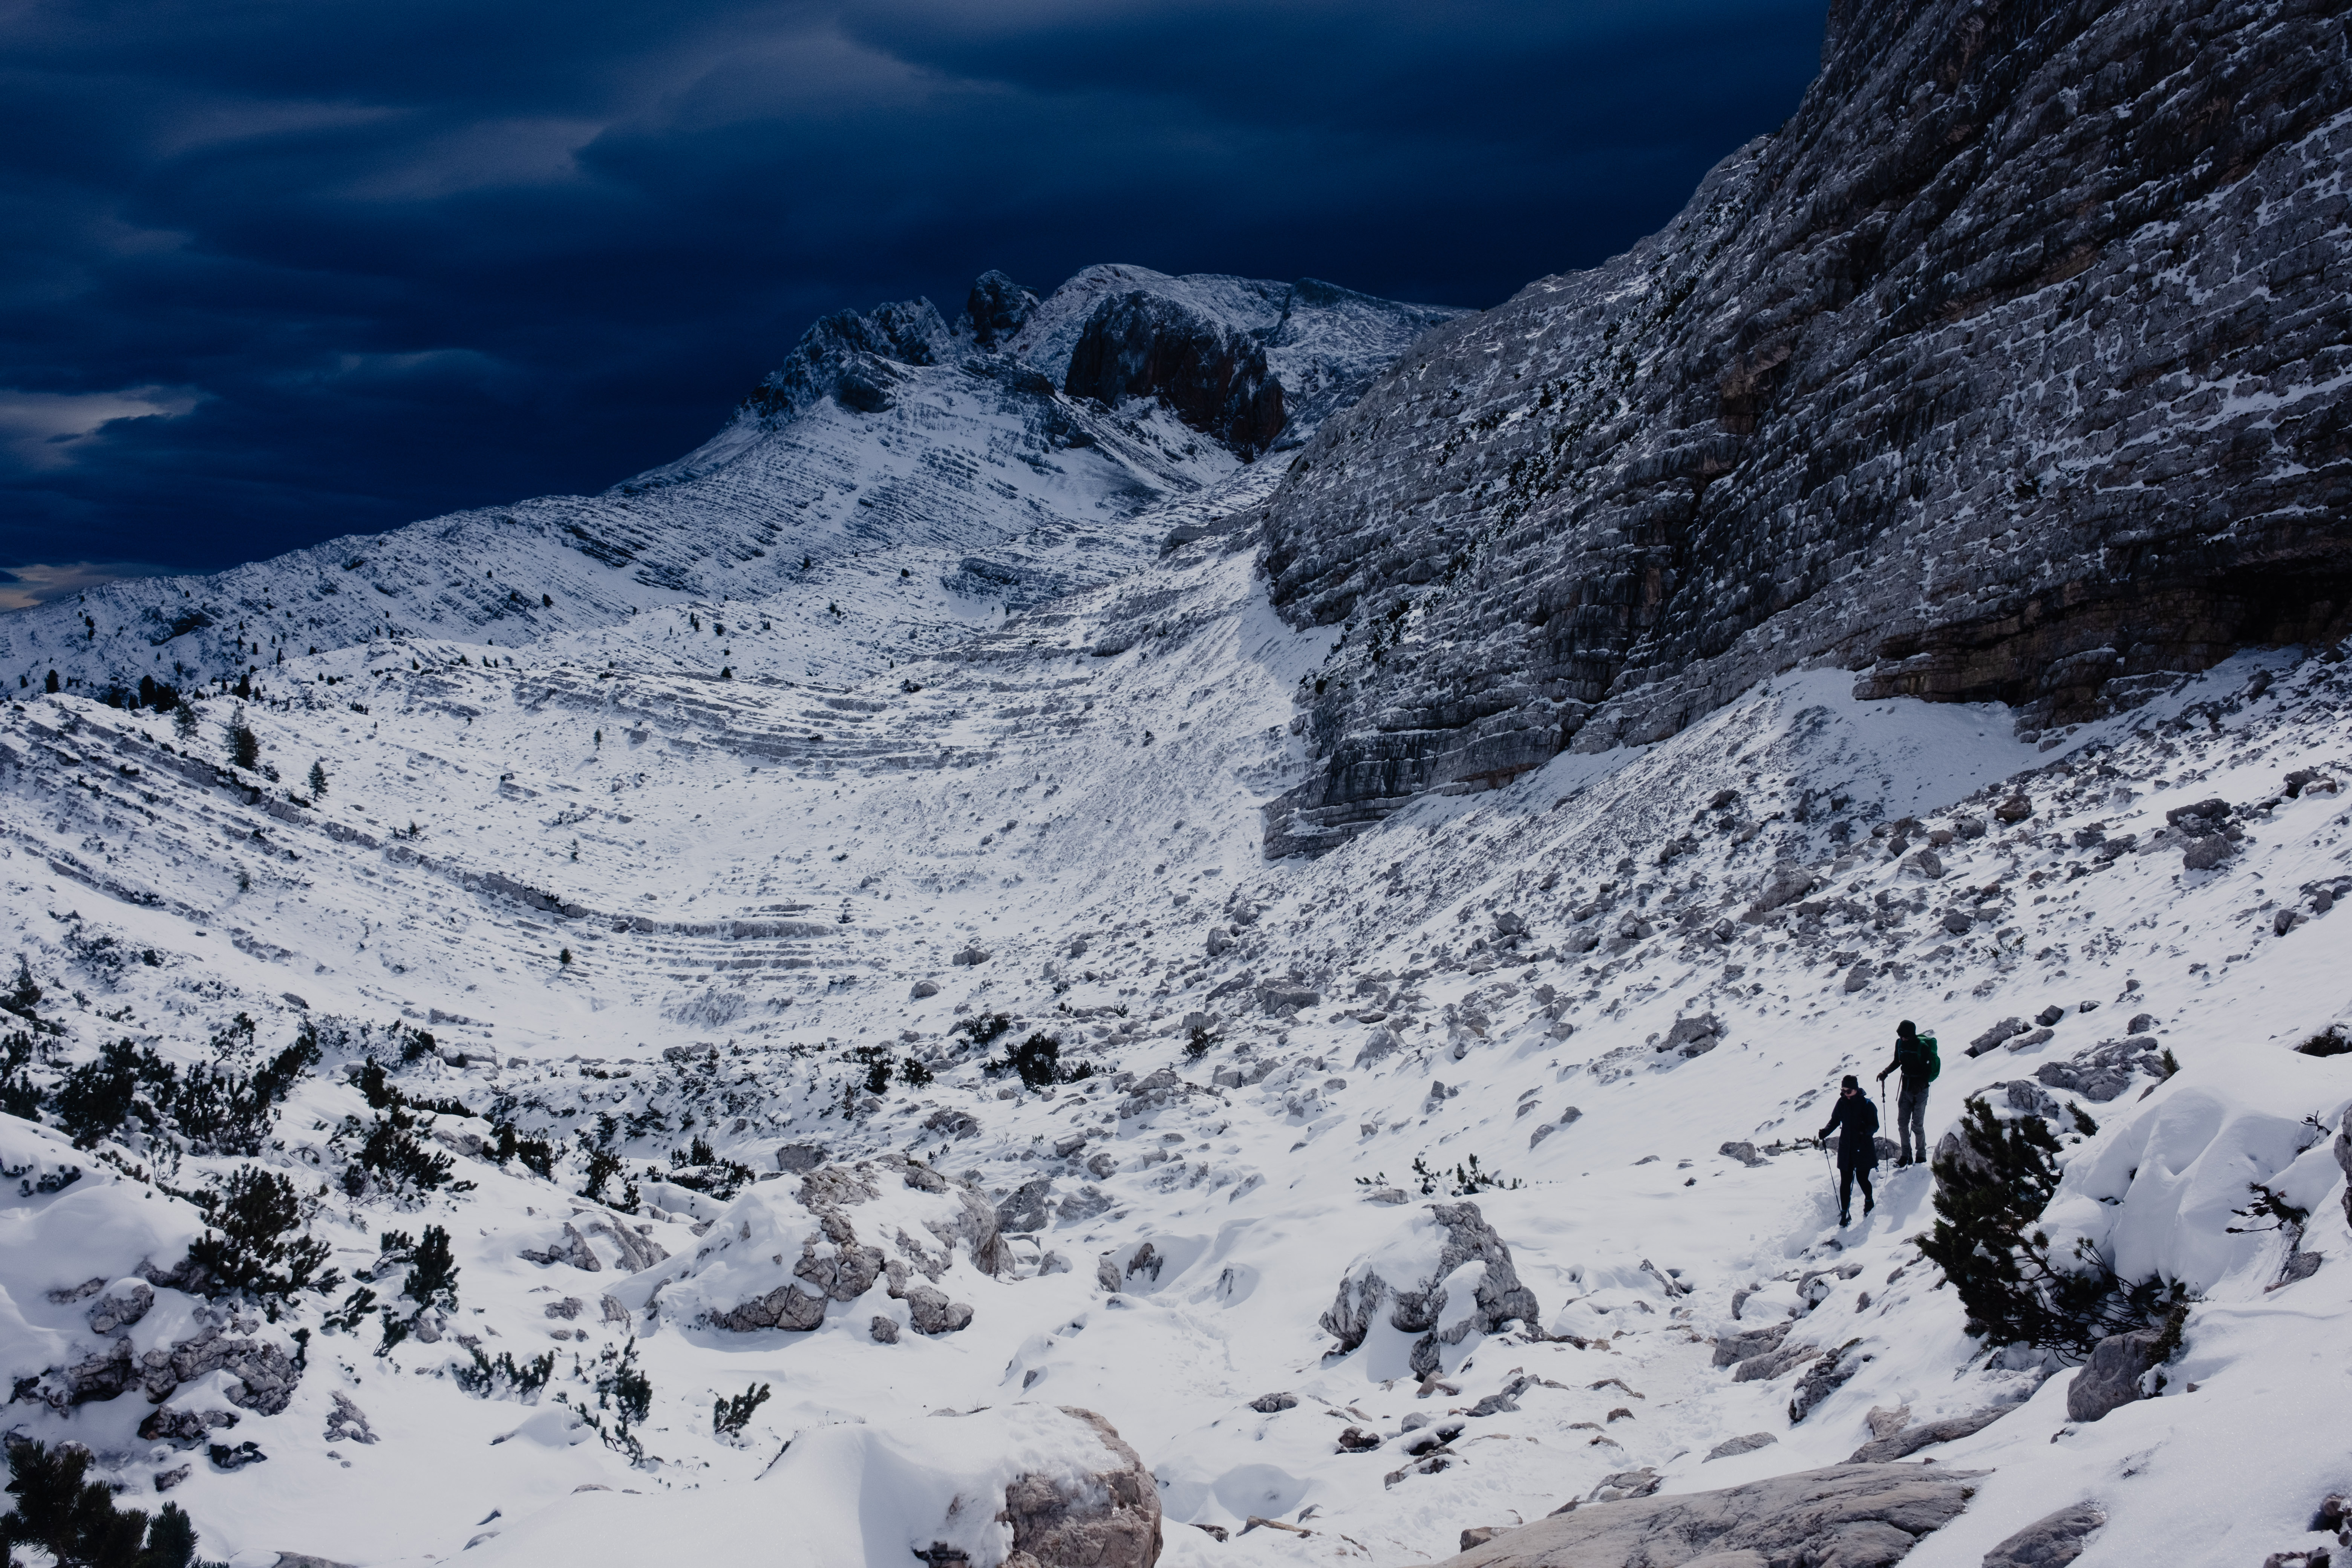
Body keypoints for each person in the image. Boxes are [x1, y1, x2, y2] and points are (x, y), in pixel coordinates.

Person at [1818, 1074, 1878, 1225]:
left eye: (1848, 1091)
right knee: (1845, 1181)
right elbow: (1835, 1120)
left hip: (1863, 1147)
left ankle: (1869, 1201)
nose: (1845, 1093)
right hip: (1846, 1147)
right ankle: (1845, 1213)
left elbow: (1875, 1126)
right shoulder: (1842, 1102)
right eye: (1843, 1090)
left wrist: (1866, 1131)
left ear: (1856, 1089)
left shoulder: (1868, 1105)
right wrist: (1826, 1131)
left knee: (1862, 1178)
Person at [1877, 1020, 1935, 1166]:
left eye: (1905, 1037)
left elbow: (1927, 1072)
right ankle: (1906, 1156)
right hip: (1906, 1088)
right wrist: (1885, 1073)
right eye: (1901, 1036)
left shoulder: (1923, 1047)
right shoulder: (1900, 1044)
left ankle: (1921, 1155)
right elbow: (1898, 1062)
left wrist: (1920, 1086)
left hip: (1920, 1091)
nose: (1903, 1039)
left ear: (1912, 1034)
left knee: (1917, 1125)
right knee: (1902, 1123)